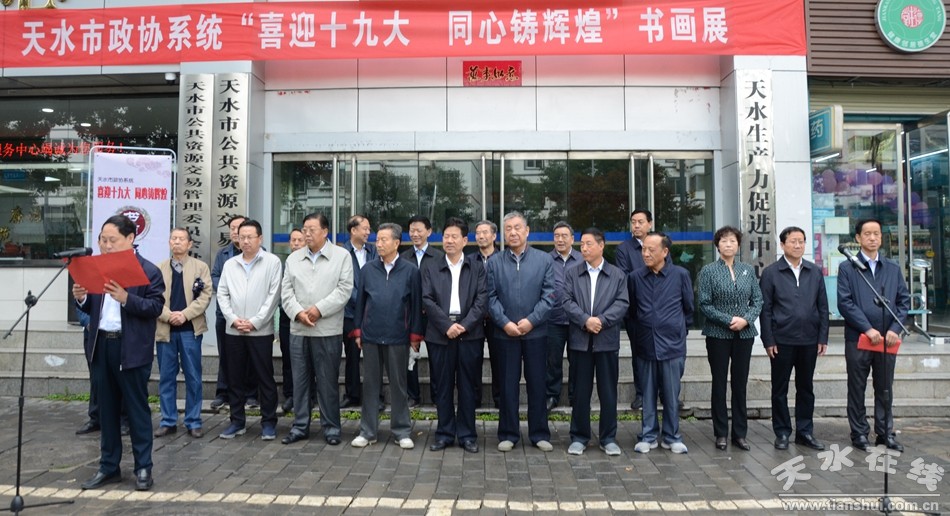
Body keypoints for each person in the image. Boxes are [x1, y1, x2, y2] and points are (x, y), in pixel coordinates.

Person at [72, 214, 164, 491]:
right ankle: (108, 466)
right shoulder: (97, 268)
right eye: (103, 240)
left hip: (131, 348)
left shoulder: (148, 270)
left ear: (130, 238)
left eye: (112, 240)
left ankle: (143, 467)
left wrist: (126, 299)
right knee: (107, 411)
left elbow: (155, 307)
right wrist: (82, 298)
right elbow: (91, 308)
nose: (106, 245)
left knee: (136, 410)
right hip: (101, 345)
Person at [837, 218, 910, 452]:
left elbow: (903, 302)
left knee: (885, 388)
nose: (872, 238)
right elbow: (845, 303)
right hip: (859, 338)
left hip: (887, 340)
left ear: (881, 238)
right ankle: (859, 433)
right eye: (867, 234)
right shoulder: (848, 267)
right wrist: (867, 328)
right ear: (858, 238)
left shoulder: (892, 268)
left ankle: (885, 432)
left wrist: (894, 329)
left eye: (876, 233)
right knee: (857, 387)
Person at [281, 213, 353, 446]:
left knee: (327, 381)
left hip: (327, 330)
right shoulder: (294, 258)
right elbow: (286, 292)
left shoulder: (341, 256)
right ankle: (300, 426)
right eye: (304, 229)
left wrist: (318, 310)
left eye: (312, 229)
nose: (307, 234)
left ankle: (331, 428)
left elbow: (344, 290)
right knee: (300, 382)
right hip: (299, 329)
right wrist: (298, 313)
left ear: (325, 231)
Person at [487, 211, 556, 452]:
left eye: (517, 228)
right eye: (508, 229)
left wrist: (531, 321)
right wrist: (505, 323)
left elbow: (550, 296)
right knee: (507, 385)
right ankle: (508, 433)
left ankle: (539, 433)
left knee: (537, 383)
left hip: (536, 333)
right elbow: (490, 297)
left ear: (527, 231)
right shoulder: (495, 262)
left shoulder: (544, 260)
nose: (513, 232)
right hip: (505, 333)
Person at [351, 223, 423, 450]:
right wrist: (358, 331)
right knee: (370, 385)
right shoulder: (368, 270)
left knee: (399, 386)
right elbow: (360, 303)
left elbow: (416, 305)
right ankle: (368, 431)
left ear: (396, 243)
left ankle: (402, 431)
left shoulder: (411, 271)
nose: (378, 244)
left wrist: (415, 336)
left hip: (398, 336)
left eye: (384, 240)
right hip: (371, 335)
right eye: (377, 240)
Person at [760, 226, 829, 451]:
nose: (798, 245)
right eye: (793, 241)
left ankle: (805, 432)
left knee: (806, 387)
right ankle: (782, 432)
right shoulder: (771, 273)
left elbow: (823, 306)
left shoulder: (814, 271)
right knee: (779, 389)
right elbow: (765, 310)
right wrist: (768, 340)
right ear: (782, 245)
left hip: (809, 339)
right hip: (782, 340)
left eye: (801, 241)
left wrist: (823, 337)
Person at [422, 218, 488, 454]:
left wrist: (464, 325)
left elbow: (482, 300)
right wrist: (446, 326)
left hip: (469, 334)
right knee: (442, 386)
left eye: (454, 237)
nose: (449, 241)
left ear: (464, 240)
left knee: (468, 386)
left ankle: (468, 435)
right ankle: (444, 433)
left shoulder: (476, 267)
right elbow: (427, 299)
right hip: (440, 334)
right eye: (446, 236)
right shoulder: (431, 267)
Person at [562, 228, 629, 456]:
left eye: (588, 244)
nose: (584, 248)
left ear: (601, 246)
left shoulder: (617, 275)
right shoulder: (572, 273)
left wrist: (601, 320)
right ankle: (579, 437)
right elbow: (566, 301)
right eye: (582, 244)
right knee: (580, 392)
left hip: (606, 340)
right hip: (580, 341)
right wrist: (585, 320)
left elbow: (622, 303)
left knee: (608, 392)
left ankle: (608, 438)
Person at [216, 219, 283, 441]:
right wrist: (233, 319)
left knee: (265, 377)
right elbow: (222, 294)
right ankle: (237, 421)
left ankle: (268, 422)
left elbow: (274, 295)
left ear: (259, 238)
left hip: (260, 331)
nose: (245, 241)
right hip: (234, 331)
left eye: (249, 237)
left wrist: (255, 321)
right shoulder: (230, 264)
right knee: (234, 377)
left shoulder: (272, 262)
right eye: (241, 237)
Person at [698, 226, 763, 451]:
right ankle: (721, 433)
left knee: (740, 383)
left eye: (732, 241)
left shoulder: (747, 270)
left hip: (744, 334)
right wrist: (728, 320)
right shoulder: (708, 271)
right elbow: (704, 304)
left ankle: (740, 433)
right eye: (724, 241)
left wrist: (746, 320)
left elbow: (758, 300)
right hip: (718, 334)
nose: (728, 244)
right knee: (719, 383)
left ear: (738, 245)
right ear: (717, 245)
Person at [629, 232, 694, 454]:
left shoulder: (680, 275)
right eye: (643, 249)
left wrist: (678, 331)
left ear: (665, 252)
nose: (646, 253)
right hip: (645, 344)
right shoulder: (635, 277)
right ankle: (648, 436)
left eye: (651, 250)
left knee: (671, 394)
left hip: (672, 345)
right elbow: (632, 311)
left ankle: (672, 436)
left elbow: (688, 308)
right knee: (647, 394)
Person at [154, 228, 213, 439]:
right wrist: (168, 315)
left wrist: (185, 315)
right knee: (166, 377)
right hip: (165, 330)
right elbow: (152, 298)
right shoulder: (158, 268)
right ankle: (168, 420)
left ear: (189, 244)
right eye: (173, 238)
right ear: (169, 242)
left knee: (193, 377)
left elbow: (205, 296)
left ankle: (193, 421)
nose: (177, 242)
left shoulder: (200, 267)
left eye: (181, 239)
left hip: (190, 330)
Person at [210, 215, 258, 411]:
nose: (235, 232)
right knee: (226, 354)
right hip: (225, 313)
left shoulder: (260, 254)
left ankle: (251, 394)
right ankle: (223, 392)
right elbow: (215, 277)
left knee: (251, 355)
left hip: (250, 315)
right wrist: (229, 291)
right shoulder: (223, 254)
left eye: (239, 228)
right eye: (232, 228)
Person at [401, 214, 445, 407]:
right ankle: (413, 395)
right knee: (410, 356)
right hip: (410, 314)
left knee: (437, 356)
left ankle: (437, 396)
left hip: (433, 315)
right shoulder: (403, 257)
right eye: (412, 230)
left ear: (429, 232)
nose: (415, 234)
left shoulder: (439, 257)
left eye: (419, 230)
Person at [614, 209, 653, 410]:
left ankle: (666, 393)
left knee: (663, 353)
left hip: (661, 311)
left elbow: (668, 272)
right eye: (633, 222)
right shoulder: (624, 249)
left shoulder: (660, 244)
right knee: (639, 353)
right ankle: (641, 393)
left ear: (650, 224)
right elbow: (625, 278)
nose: (636, 225)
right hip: (636, 311)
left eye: (640, 222)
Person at [341, 215, 380, 410]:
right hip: (350, 312)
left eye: (369, 228)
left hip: (373, 313)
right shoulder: (342, 253)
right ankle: (352, 394)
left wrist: (370, 302)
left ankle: (377, 397)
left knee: (375, 357)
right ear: (353, 230)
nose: (368, 232)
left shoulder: (374, 251)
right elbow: (343, 285)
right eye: (365, 228)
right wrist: (362, 301)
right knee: (352, 357)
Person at [546, 221, 583, 412]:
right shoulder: (545, 260)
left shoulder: (582, 259)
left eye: (564, 236)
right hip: (553, 319)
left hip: (577, 320)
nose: (560, 239)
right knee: (552, 360)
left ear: (572, 239)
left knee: (577, 360)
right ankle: (552, 395)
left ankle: (575, 396)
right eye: (557, 236)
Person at [466, 220, 499, 409]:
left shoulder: (503, 258)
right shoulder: (469, 260)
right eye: (478, 233)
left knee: (499, 360)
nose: (481, 236)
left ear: (494, 236)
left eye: (485, 232)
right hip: (474, 318)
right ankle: (474, 399)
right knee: (473, 360)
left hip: (497, 319)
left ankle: (499, 399)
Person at [278, 228, 306, 413]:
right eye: (293, 240)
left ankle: (308, 395)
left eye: (300, 240)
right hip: (287, 315)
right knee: (288, 357)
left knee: (307, 358)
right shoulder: (283, 263)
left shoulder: (310, 262)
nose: (296, 244)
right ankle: (290, 394)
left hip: (308, 316)